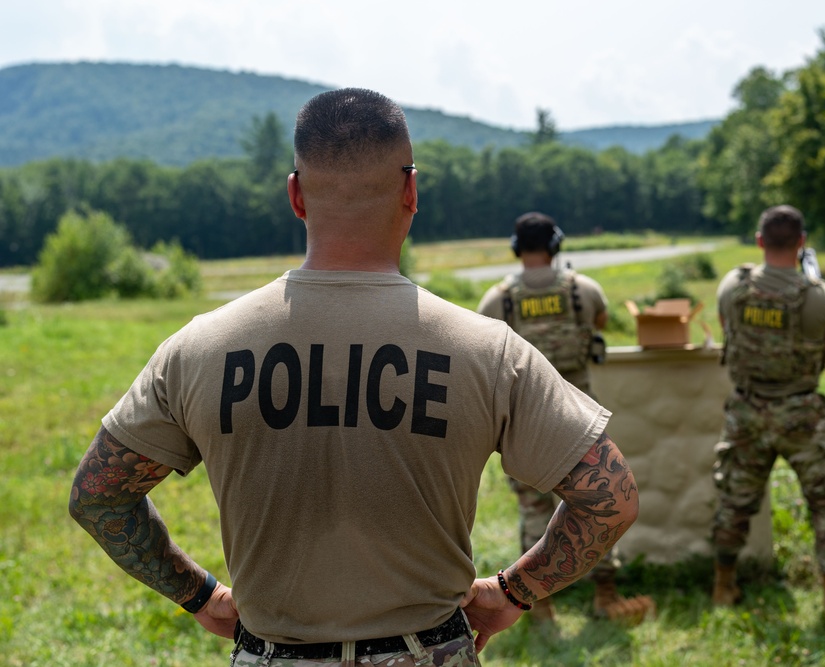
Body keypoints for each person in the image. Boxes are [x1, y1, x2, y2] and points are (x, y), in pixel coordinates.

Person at [68, 88, 639, 666]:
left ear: (295, 195)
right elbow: (609, 501)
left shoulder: (198, 347)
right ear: (411, 192)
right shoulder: (487, 350)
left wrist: (201, 596)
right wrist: (516, 591)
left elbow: (99, 496)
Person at [477, 213, 654, 625]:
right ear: (555, 246)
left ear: (516, 247)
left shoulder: (496, 299)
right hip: (578, 418)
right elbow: (601, 322)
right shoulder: (583, 290)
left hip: (521, 425)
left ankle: (538, 608)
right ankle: (606, 595)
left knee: (533, 512)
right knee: (600, 504)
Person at [711, 204, 825, 615]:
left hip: (746, 411)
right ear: (801, 243)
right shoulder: (822, 298)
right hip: (802, 415)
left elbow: (725, 324)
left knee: (734, 500)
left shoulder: (733, 286)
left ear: (759, 241)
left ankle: (722, 588)